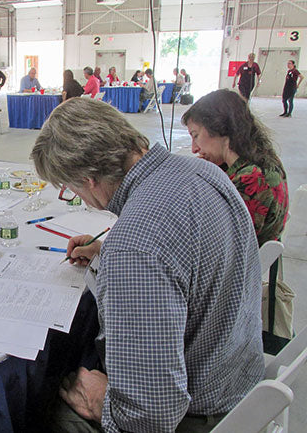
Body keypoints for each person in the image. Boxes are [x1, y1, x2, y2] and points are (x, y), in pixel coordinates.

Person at [31, 97, 264, 432]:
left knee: (44, 407)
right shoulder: (205, 171)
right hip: (241, 381)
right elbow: (184, 256)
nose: (80, 199)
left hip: (201, 415)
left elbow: (151, 416)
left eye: (73, 190)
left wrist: (103, 402)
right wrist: (107, 253)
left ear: (90, 179)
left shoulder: (135, 245)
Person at [182, 89, 289, 246]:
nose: (194, 149)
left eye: (196, 135)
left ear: (218, 127)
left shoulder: (252, 178)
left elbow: (214, 241)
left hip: (241, 264)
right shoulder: (258, 159)